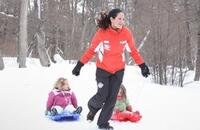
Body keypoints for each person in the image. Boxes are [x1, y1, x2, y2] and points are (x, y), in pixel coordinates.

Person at [72, 8, 150, 130]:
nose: (122, 21)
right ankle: (92, 108)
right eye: (119, 18)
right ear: (112, 19)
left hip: (118, 71)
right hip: (103, 70)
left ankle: (103, 124)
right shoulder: (101, 33)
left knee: (112, 98)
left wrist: (142, 65)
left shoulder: (126, 33)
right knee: (102, 95)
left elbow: (133, 51)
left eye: (123, 19)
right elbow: (91, 51)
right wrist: (79, 65)